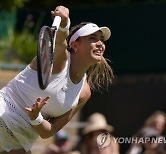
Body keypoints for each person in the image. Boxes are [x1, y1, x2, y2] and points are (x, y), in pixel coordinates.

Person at [0, 5, 114, 154]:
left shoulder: (84, 93)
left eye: (101, 40)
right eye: (93, 38)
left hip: (20, 140)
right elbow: (60, 40)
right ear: (74, 45)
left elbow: (48, 131)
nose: (100, 44)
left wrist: (36, 117)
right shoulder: (60, 59)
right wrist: (65, 22)